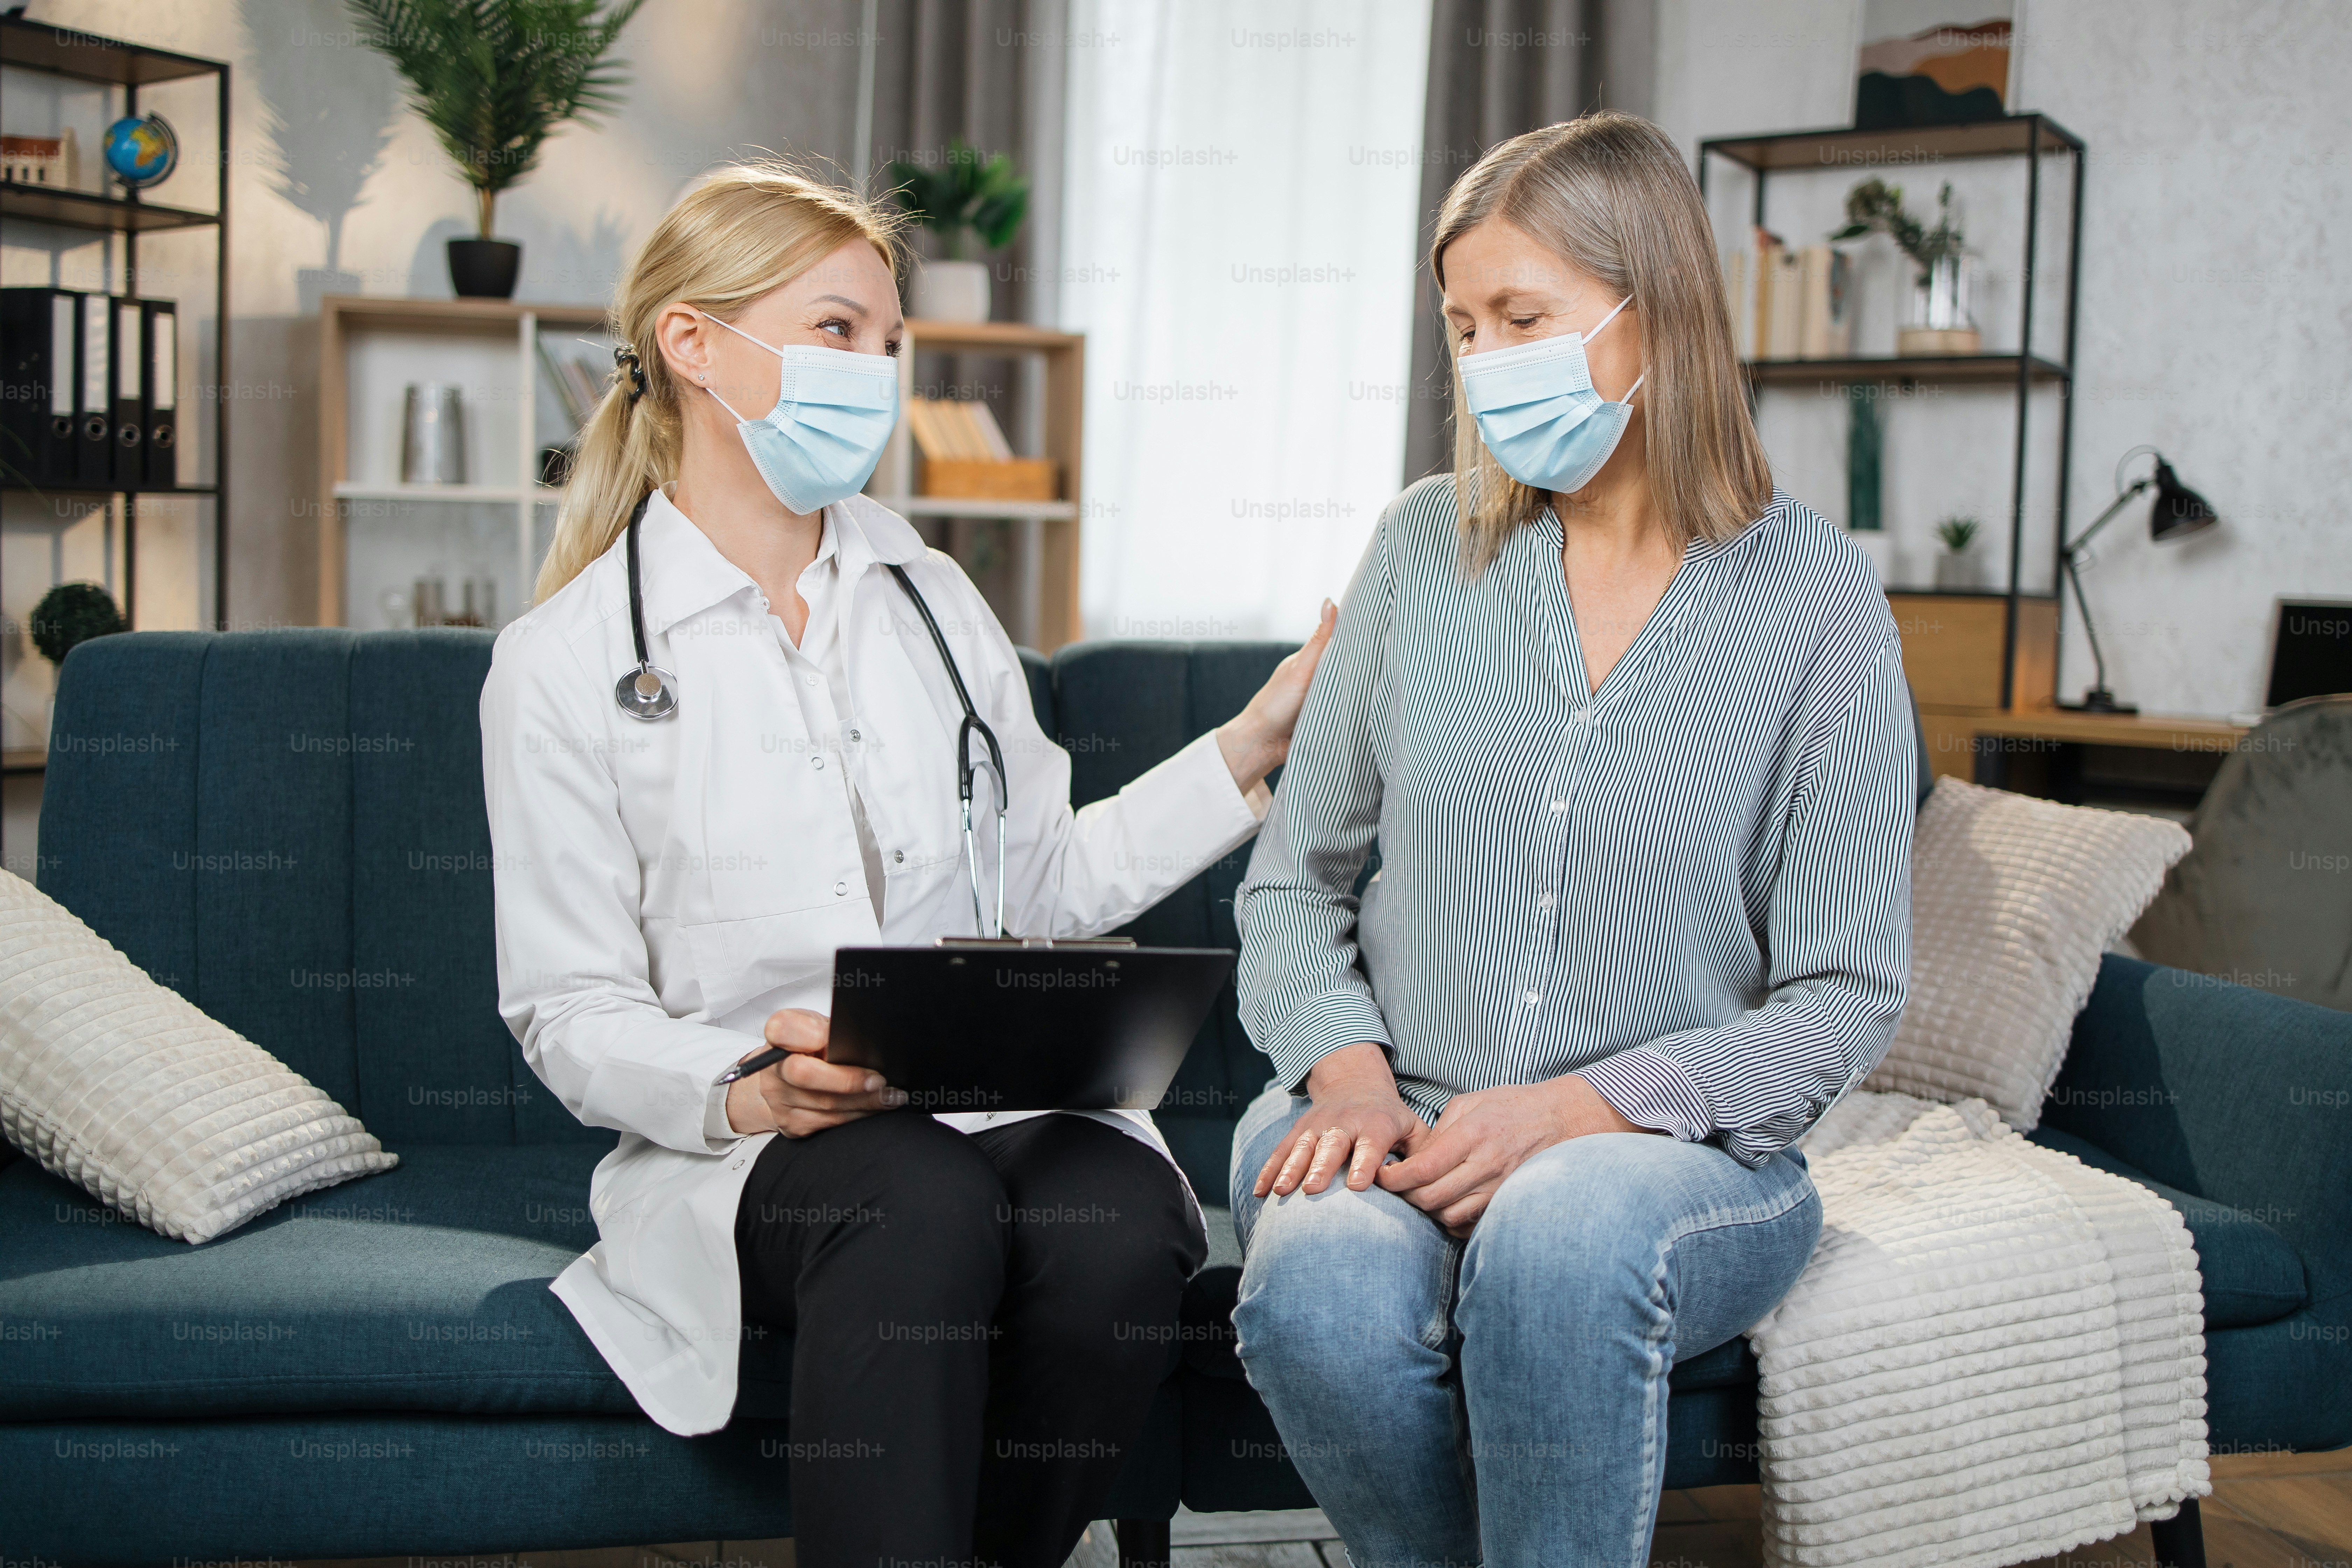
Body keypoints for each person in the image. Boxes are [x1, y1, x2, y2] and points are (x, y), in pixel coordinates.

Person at [481, 160, 1333, 1568]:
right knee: (913, 1199)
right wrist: (749, 1086)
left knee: (1119, 1232)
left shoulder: (930, 597)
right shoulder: (566, 664)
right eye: (836, 334)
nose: (873, 376)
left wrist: (1254, 740)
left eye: (888, 344)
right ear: (692, 344)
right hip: (764, 1146)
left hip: (994, 1098)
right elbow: (566, 1010)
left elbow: (1047, 881)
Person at [1227, 111, 1916, 1568]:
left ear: (1651, 308)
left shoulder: (1819, 602)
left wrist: (1579, 1109)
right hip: (1393, 1113)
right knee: (1318, 1292)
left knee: (1557, 1233)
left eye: (1522, 317)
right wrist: (1347, 1081)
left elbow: (1848, 992)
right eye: (1464, 326)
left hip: (1677, 1163)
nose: (1486, 362)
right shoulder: (1424, 549)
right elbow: (1295, 882)